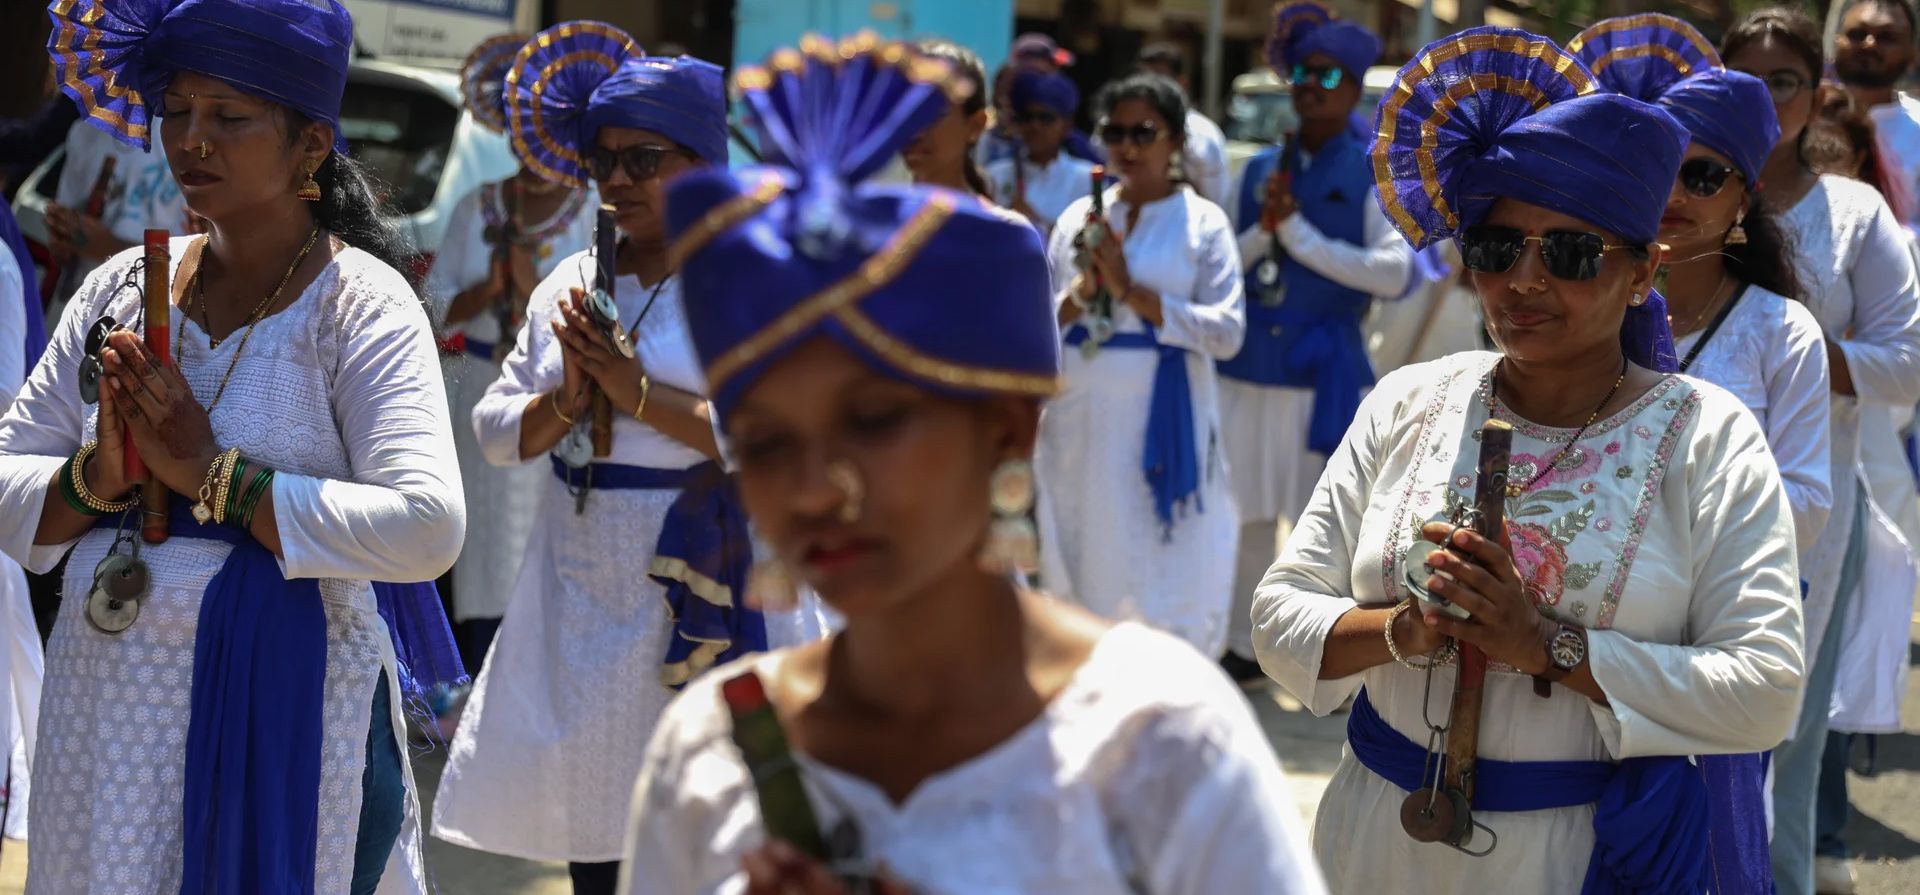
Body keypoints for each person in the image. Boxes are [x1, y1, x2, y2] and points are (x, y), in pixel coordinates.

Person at [616, 37, 1326, 895]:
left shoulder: (1162, 743)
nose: (812, 487)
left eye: (873, 420)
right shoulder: (711, 753)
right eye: (765, 441)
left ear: (1004, 431)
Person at [1252, 27, 1805, 894]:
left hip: (1574, 859)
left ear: (1640, 274)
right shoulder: (1411, 399)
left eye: (1574, 253)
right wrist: (1409, 627)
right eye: (1497, 247)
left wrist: (1542, 643)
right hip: (1373, 844)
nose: (1526, 281)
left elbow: (1765, 689)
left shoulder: (1708, 436)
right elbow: (1278, 616)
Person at [5, 1, 469, 891]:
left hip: (288, 710)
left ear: (310, 145)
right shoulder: (115, 286)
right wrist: (102, 474)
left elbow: (427, 524)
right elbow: (5, 477)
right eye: (176, 111)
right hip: (102, 706)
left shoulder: (361, 307)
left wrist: (210, 475)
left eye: (229, 116)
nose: (191, 141)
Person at [427, 23, 825, 895]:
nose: (617, 180)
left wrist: (631, 387)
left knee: (710, 815)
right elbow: (497, 431)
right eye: (603, 161)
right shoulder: (572, 283)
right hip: (584, 574)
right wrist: (569, 396)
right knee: (597, 815)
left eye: (643, 159)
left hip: (706, 570)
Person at [1725, 10, 1920, 893]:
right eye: (1749, 80)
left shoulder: (1853, 212)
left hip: (1812, 511)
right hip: (1674, 503)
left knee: (1786, 742)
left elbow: (1908, 359)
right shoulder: (1682, 195)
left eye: (1785, 82)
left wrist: (1798, 353)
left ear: (1814, 95)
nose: (1767, 100)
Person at [1573, 13, 1834, 554]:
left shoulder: (1783, 332)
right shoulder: (1584, 310)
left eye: (1704, 176)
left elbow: (1807, 509)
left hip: (1717, 600)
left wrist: (1670, 490)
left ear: (1742, 199)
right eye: (1659, 169)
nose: (1674, 195)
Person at [1217, 4, 1411, 683]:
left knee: (1319, 526)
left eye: (1327, 74)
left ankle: (1315, 653)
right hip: (1247, 367)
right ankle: (1241, 647)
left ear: (1354, 88)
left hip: (1326, 370)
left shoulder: (1373, 170)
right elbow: (1222, 267)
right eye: (1301, 71)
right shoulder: (1258, 169)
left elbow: (1394, 274)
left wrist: (1300, 237)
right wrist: (1267, 232)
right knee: (1242, 514)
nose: (1311, 84)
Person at [1038, 73, 1244, 655]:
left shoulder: (1204, 223)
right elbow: (1044, 322)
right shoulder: (1078, 217)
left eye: (1144, 132)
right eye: (1114, 131)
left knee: (1166, 549)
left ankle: (1164, 673)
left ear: (1175, 141)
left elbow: (1228, 332)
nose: (1127, 146)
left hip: (1164, 407)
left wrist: (1130, 291)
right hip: (1080, 413)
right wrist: (1086, 289)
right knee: (1081, 536)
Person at [427, 32, 595, 684]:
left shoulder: (589, 214)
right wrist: (487, 289)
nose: (531, 148)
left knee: (542, 542)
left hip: (559, 399)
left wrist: (528, 288)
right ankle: (471, 675)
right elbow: (436, 305)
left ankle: (536, 674)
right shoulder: (480, 206)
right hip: (481, 389)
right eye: (523, 133)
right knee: (483, 546)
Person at [44, 108, 189, 322]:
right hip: (80, 307)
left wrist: (108, 247)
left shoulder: (186, 139)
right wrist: (64, 235)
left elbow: (192, 263)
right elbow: (64, 233)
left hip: (150, 318)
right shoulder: (86, 131)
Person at [1833, 0, 1920, 224]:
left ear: (1913, 55)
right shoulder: (1800, 116)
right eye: (1857, 33)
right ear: (1837, 42)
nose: (1869, 44)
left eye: (1887, 37)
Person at [985, 69, 1095, 233]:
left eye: (1045, 118)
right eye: (1027, 117)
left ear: (1067, 125)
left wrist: (1035, 223)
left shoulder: (1087, 178)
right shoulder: (994, 175)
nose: (1035, 126)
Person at [1137, 41, 1231, 209]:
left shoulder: (1203, 135)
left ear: (1181, 82)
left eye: (1159, 79)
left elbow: (1217, 203)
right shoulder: (1124, 129)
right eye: (1143, 79)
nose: (1149, 88)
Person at [904, 38, 995, 200]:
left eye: (934, 113)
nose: (916, 130)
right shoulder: (867, 219)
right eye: (905, 112)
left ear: (975, 125)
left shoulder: (1001, 225)